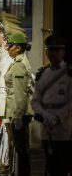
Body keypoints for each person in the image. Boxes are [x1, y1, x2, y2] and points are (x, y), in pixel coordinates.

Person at [31, 34, 72, 176]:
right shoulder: (42, 74)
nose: (54, 54)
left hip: (63, 127)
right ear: (46, 52)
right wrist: (43, 114)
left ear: (63, 52)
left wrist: (57, 117)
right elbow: (35, 99)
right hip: (46, 126)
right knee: (49, 165)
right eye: (51, 50)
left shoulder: (69, 74)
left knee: (62, 166)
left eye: (57, 50)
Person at [4, 32, 34, 176]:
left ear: (18, 48)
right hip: (19, 112)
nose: (7, 48)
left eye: (10, 46)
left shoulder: (19, 66)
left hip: (19, 113)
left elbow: (19, 94)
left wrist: (17, 117)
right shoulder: (19, 62)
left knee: (21, 149)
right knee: (21, 148)